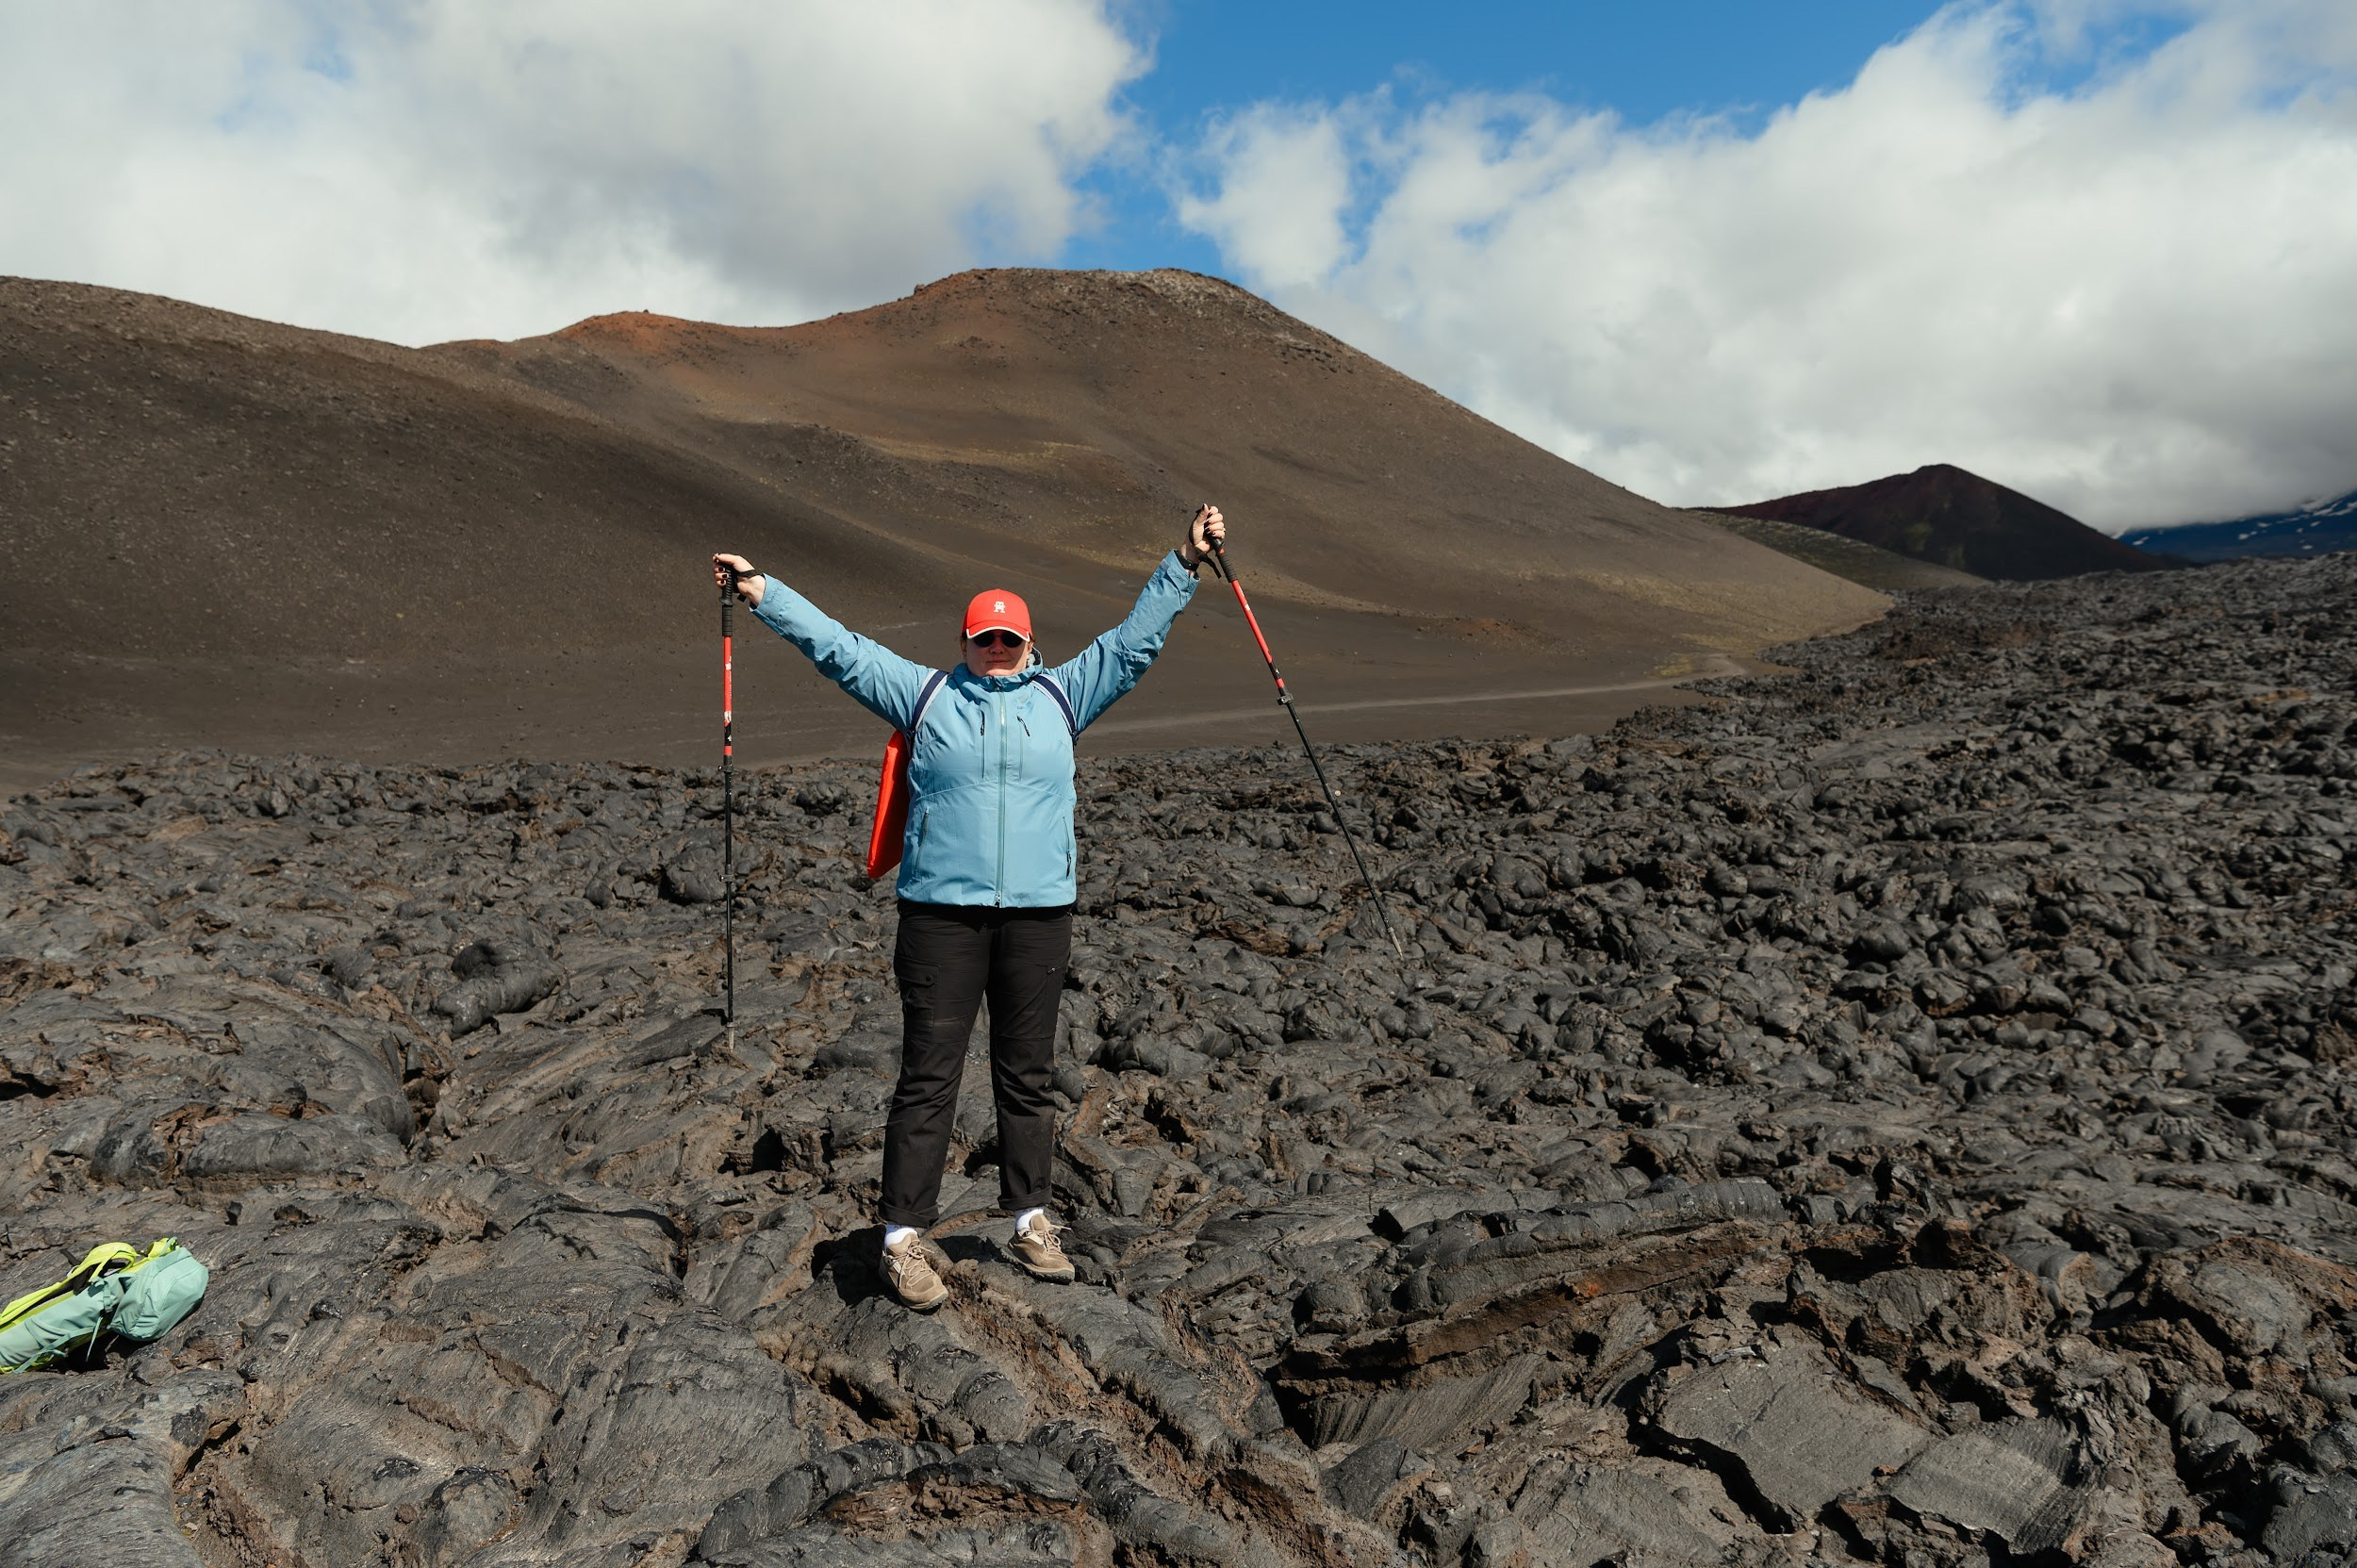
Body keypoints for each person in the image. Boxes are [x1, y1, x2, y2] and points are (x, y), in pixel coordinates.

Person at [710, 504, 1227, 1311]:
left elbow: (1134, 641)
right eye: (983, 638)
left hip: (1036, 917)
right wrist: (763, 591)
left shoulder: (1065, 695)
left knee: (1027, 1076)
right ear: (963, 643)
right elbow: (838, 649)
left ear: (1028, 644)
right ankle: (903, 1239)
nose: (995, 650)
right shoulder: (922, 695)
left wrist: (1183, 563)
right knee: (928, 1077)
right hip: (940, 919)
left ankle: (1029, 1218)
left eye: (1008, 639)